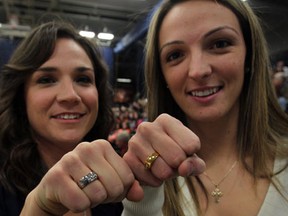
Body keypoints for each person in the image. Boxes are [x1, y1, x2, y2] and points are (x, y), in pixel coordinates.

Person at [123, 0, 288, 215]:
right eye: (175, 55)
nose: (198, 71)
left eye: (219, 44)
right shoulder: (147, 175)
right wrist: (141, 196)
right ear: (161, 74)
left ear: (249, 55)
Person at [0, 21, 144, 216]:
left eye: (83, 79)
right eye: (47, 80)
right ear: (21, 95)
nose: (70, 95)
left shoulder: (118, 176)